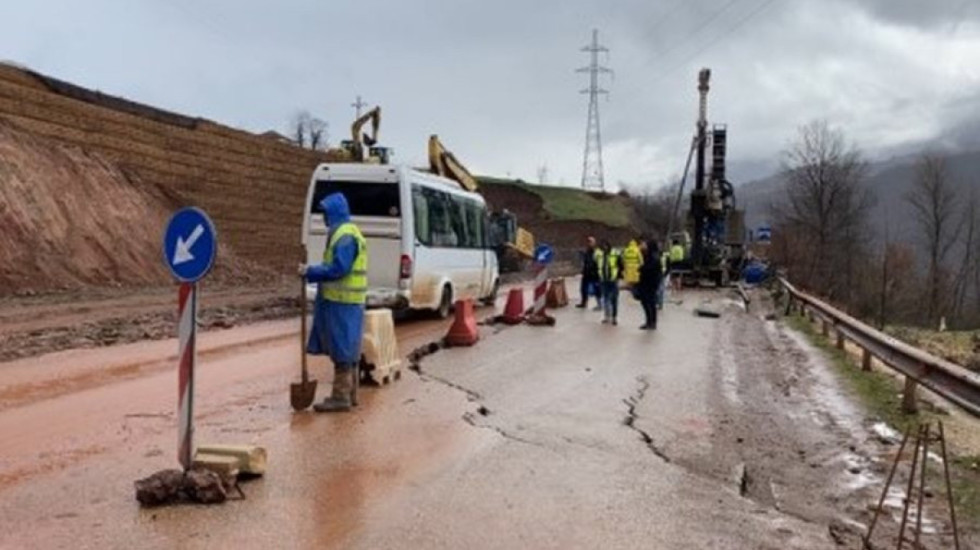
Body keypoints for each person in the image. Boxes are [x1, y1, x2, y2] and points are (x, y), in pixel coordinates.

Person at [299, 192, 368, 413]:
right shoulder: (345, 232)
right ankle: (351, 394)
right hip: (345, 301)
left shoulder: (345, 235)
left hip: (343, 302)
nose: (324, 218)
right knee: (347, 347)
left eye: (326, 213)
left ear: (334, 213)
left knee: (343, 349)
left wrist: (311, 271)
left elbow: (339, 268)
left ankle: (341, 397)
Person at [637, 240, 663, 330]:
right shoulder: (646, 255)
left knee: (651, 303)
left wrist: (641, 268)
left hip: (651, 283)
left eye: (645, 245)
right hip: (644, 282)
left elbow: (651, 269)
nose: (643, 246)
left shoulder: (654, 257)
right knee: (645, 302)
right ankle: (649, 321)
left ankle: (652, 322)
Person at [595, 240, 622, 325]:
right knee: (605, 298)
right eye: (603, 246)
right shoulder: (600, 255)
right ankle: (607, 316)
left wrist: (618, 276)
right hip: (603, 279)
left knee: (614, 299)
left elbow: (621, 265)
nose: (604, 248)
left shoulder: (615, 254)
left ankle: (614, 317)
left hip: (613, 280)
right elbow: (597, 266)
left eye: (606, 246)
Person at [576, 236, 601, 310]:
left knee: (597, 289)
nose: (589, 243)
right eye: (588, 242)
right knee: (583, 288)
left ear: (594, 243)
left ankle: (599, 303)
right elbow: (585, 261)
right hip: (586, 272)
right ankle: (584, 302)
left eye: (590, 242)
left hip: (594, 273)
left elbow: (597, 262)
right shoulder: (587, 252)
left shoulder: (596, 252)